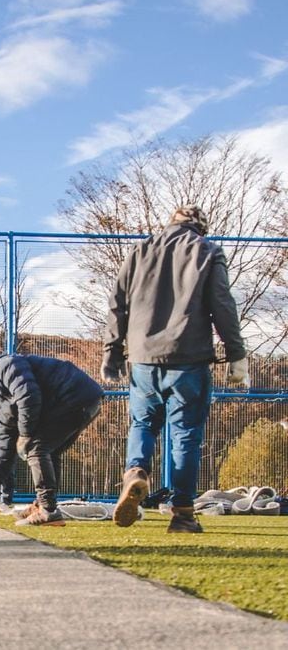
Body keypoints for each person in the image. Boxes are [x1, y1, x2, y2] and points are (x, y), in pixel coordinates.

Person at [102, 205, 249, 534]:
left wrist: (112, 352)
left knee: (142, 424)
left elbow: (117, 303)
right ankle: (182, 513)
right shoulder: (207, 251)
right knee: (184, 436)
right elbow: (222, 304)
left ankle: (135, 472)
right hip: (188, 359)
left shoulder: (140, 250)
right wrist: (236, 354)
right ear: (201, 229)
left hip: (142, 359)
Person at [0, 353, 103, 527]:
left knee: (36, 448)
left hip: (73, 394)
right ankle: (44, 505)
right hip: (81, 399)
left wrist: (26, 435)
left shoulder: (4, 366)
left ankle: (48, 511)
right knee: (49, 451)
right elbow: (6, 441)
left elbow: (28, 396)